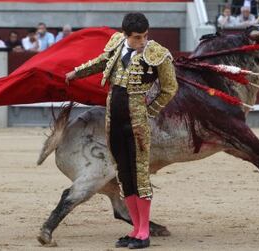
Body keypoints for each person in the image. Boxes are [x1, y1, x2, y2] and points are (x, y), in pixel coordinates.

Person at [65, 12, 178, 249]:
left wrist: (150, 110)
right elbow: (100, 62)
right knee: (124, 175)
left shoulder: (157, 53)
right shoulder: (117, 43)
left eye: (145, 36)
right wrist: (77, 72)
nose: (143, 41)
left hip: (136, 123)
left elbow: (170, 88)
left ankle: (144, 232)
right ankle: (135, 229)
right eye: (138, 37)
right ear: (126, 35)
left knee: (140, 176)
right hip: (113, 119)